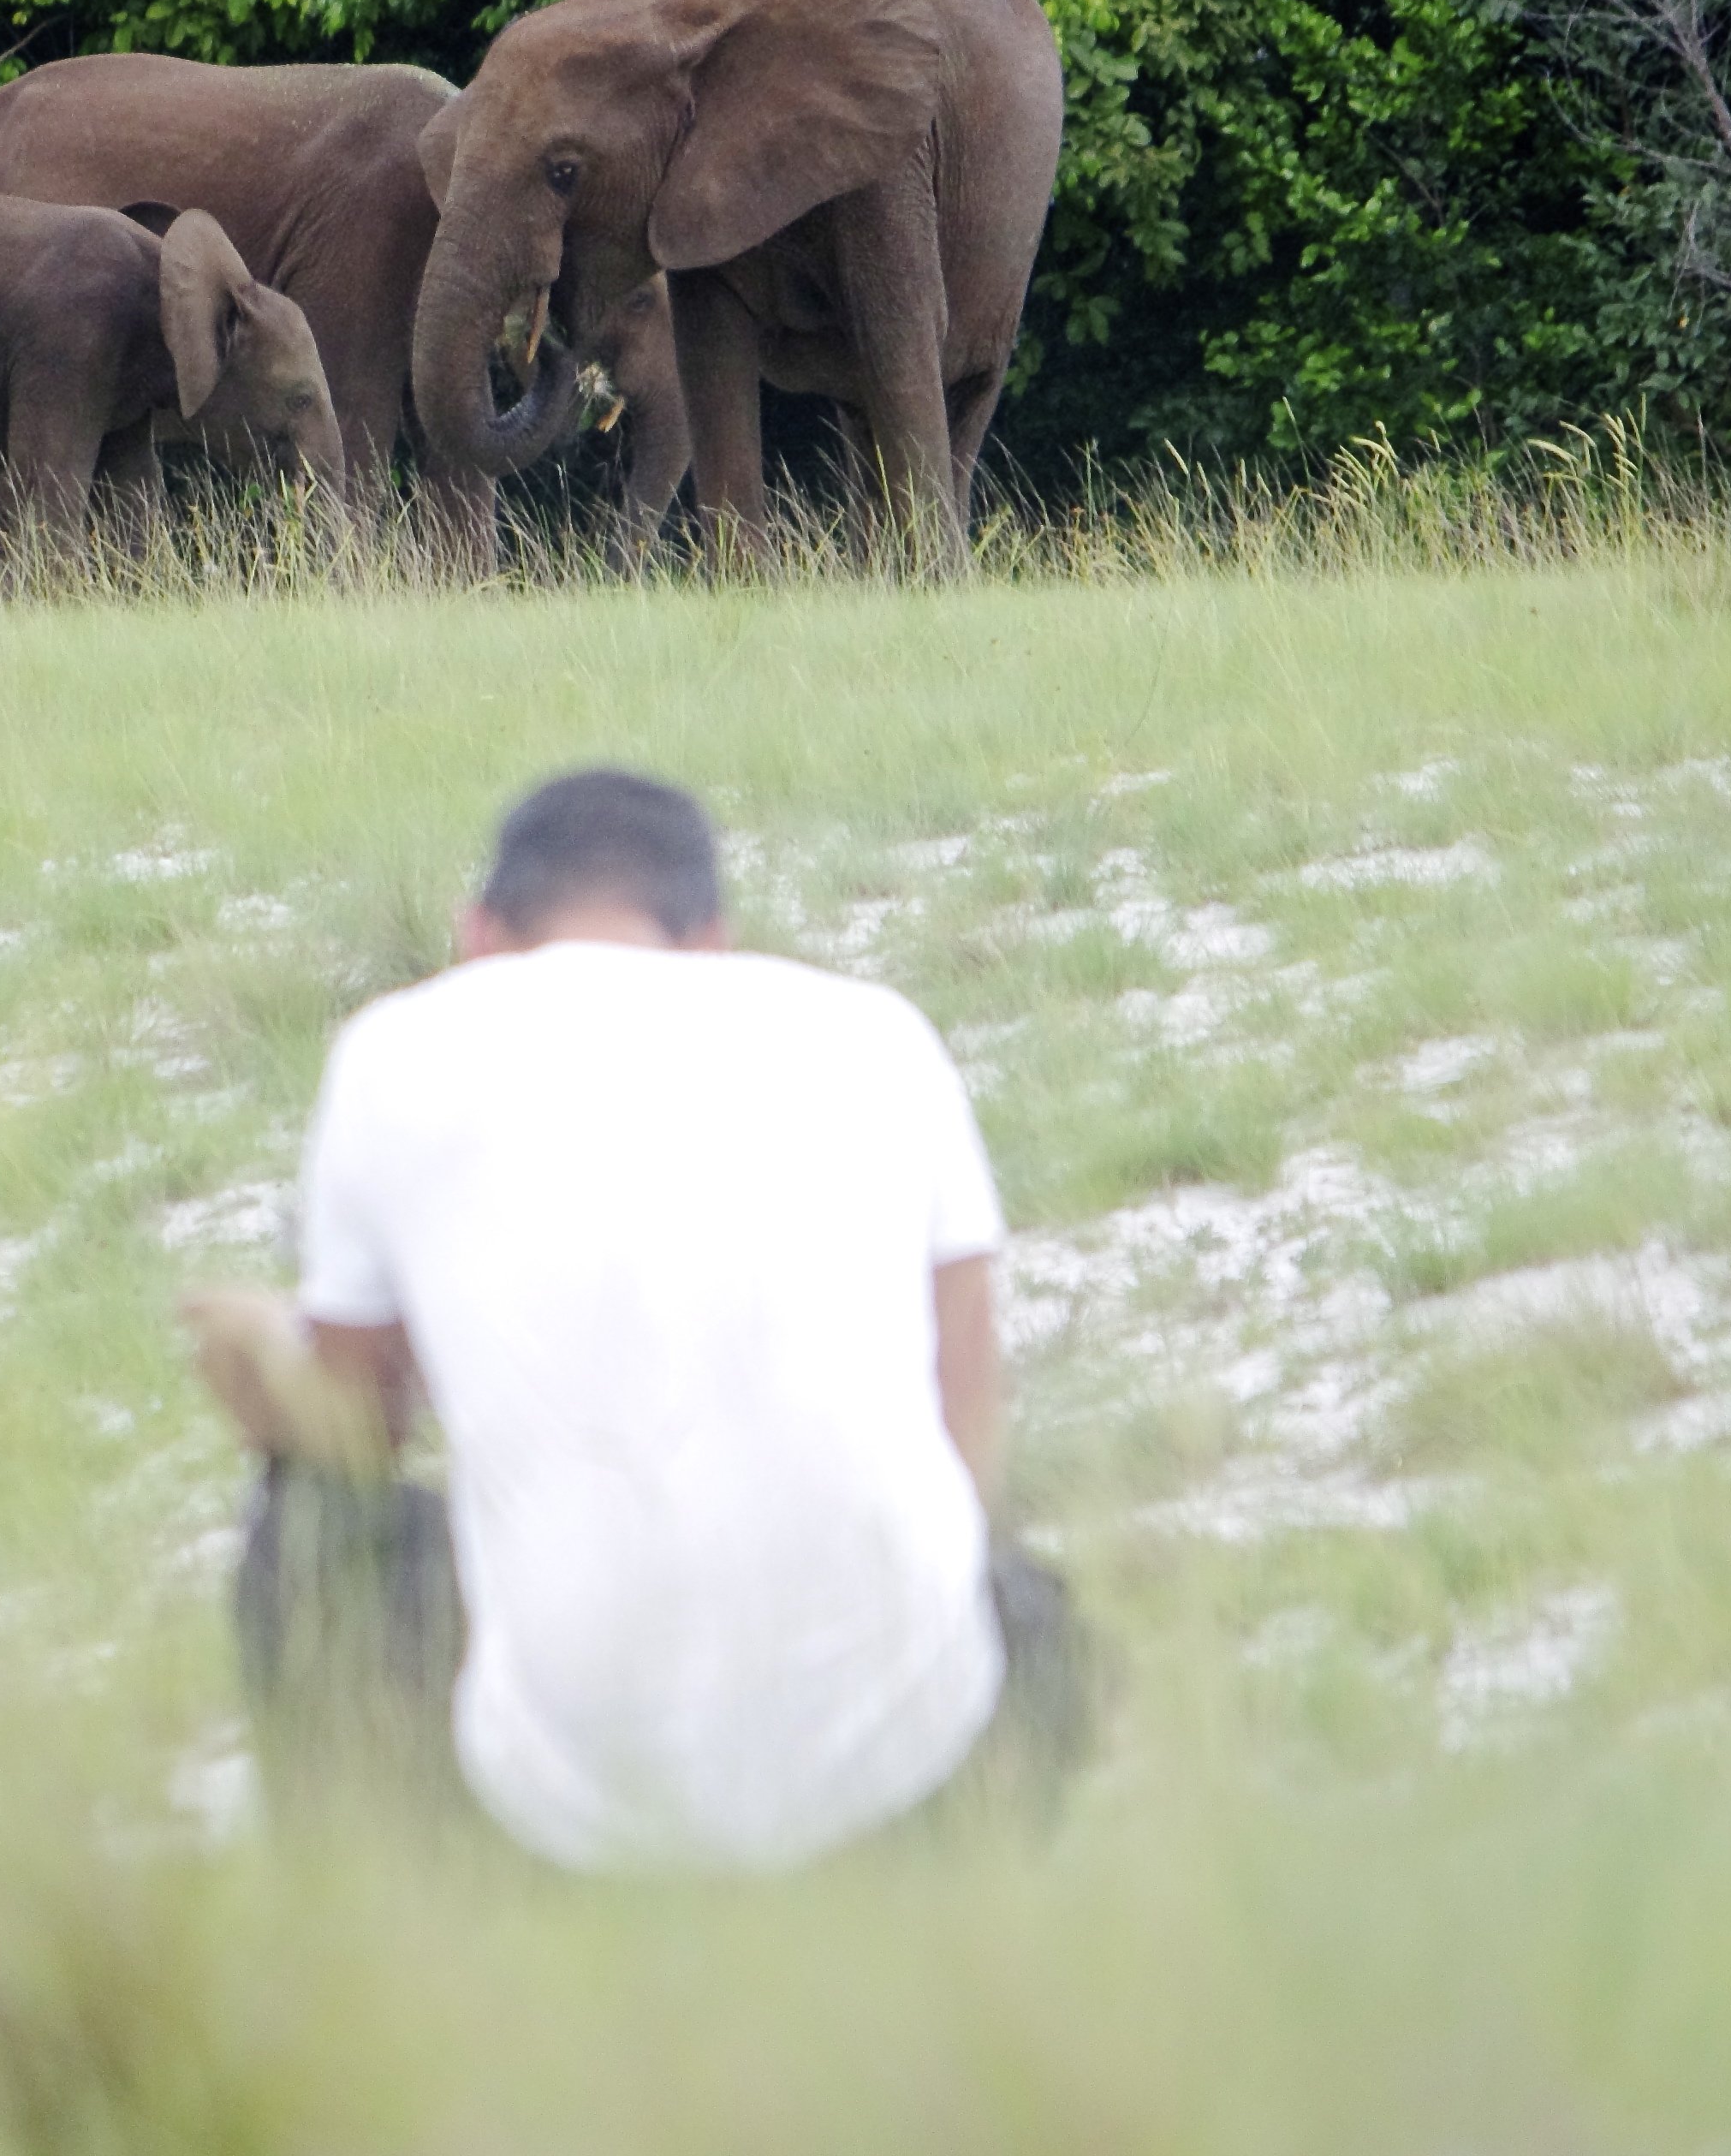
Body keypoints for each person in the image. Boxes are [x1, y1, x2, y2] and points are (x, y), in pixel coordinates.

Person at [180, 768, 1089, 1873]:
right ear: (712, 941)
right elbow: (969, 1429)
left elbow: (357, 1431)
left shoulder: (396, 1052)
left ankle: (381, 1947)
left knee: (314, 1523)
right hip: (908, 1774)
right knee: (1020, 1595)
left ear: (476, 940)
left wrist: (262, 1348)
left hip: (575, 1814)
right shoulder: (879, 1034)